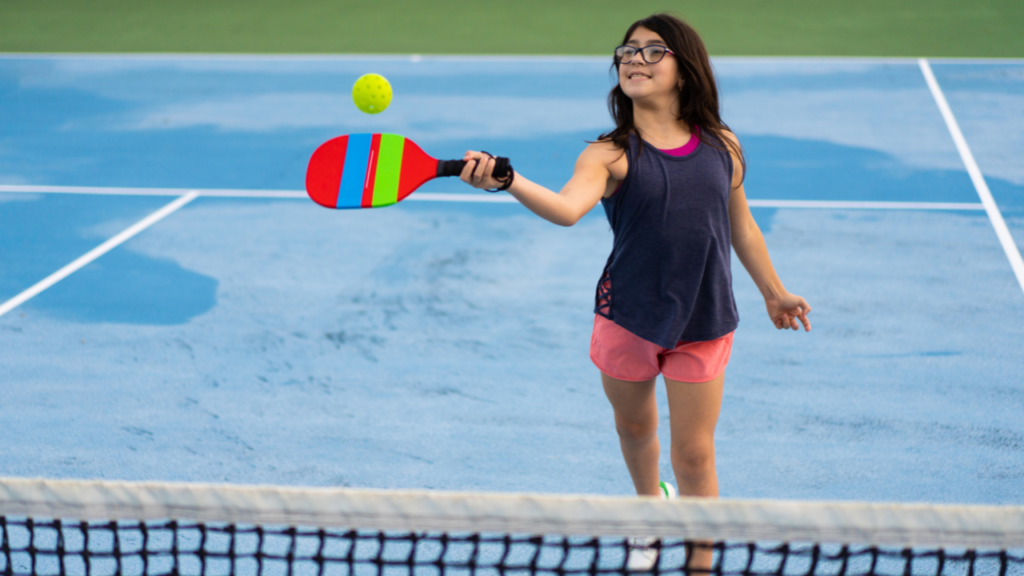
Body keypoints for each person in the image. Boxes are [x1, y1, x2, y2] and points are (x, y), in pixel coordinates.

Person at [459, 13, 811, 572]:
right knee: (634, 428)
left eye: (653, 51)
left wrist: (774, 291)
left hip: (704, 316)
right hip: (628, 315)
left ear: (685, 67)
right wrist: (508, 180)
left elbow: (741, 223)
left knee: (694, 453)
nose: (634, 59)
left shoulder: (723, 144)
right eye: (627, 51)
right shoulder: (609, 153)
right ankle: (650, 511)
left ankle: (700, 557)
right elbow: (567, 209)